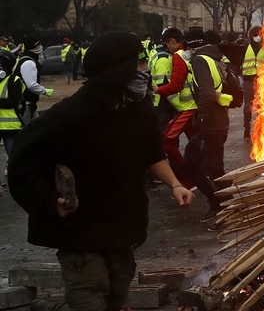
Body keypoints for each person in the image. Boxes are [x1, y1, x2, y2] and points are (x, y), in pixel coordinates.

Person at [8, 30, 194, 311]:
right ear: (118, 71)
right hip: (81, 235)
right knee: (90, 300)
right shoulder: (70, 115)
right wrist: (50, 203)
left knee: (116, 297)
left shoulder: (138, 110)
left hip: (122, 231)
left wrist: (174, 184)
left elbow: (152, 153)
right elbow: (22, 164)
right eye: (139, 64)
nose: (144, 71)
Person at [186, 30, 233, 229]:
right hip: (218, 122)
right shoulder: (216, 58)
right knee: (205, 166)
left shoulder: (199, 61)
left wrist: (202, 117)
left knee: (208, 168)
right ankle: (219, 203)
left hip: (211, 124)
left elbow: (206, 94)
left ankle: (226, 208)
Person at [155, 28, 204, 187]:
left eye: (166, 43)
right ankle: (202, 173)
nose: (165, 46)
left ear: (172, 41)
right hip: (198, 107)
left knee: (167, 141)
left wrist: (158, 90)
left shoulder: (179, 56)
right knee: (196, 143)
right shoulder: (197, 53)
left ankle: (188, 177)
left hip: (188, 108)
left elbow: (176, 85)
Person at [150, 28, 182, 133]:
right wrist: (181, 108)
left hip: (158, 104)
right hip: (163, 107)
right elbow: (166, 89)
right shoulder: (164, 59)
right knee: (166, 138)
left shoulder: (156, 52)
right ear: (171, 41)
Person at [0, 49, 24, 189]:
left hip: (10, 126)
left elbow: (14, 102)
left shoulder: (14, 80)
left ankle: (20, 183)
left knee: (14, 156)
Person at [17, 37, 54, 125]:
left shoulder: (27, 59)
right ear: (33, 47)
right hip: (25, 102)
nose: (41, 47)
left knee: (36, 126)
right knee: (23, 129)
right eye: (38, 45)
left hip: (29, 102)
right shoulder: (29, 63)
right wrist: (44, 91)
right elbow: (31, 84)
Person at [241, 26, 264, 141]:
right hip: (248, 79)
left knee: (261, 106)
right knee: (248, 106)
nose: (257, 37)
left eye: (259, 34)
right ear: (251, 36)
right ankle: (247, 130)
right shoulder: (245, 48)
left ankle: (260, 130)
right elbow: (239, 61)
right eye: (255, 34)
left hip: (262, 80)